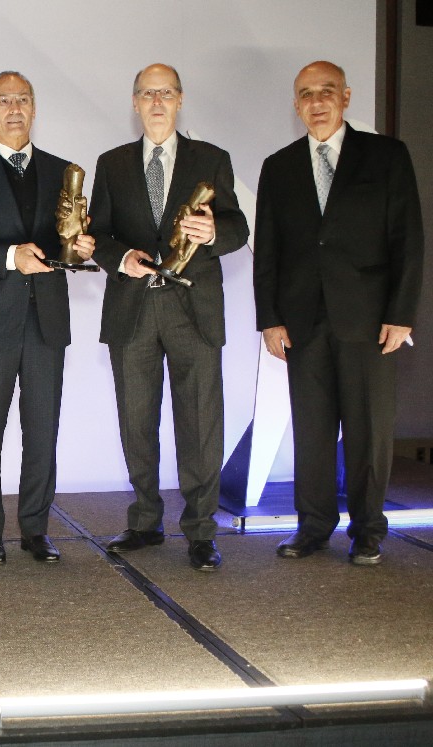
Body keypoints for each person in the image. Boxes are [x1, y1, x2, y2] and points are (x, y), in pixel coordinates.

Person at [254, 61, 423, 565]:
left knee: (369, 431)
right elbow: (269, 251)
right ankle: (313, 527)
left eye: (327, 91)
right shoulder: (279, 166)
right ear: (296, 104)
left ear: (346, 97)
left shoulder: (387, 156)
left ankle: (368, 530)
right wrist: (269, 318)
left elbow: (408, 240)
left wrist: (401, 313)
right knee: (312, 430)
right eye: (306, 94)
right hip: (302, 320)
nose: (317, 102)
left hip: (369, 319)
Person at [88, 64, 249, 571]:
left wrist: (213, 231)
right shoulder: (111, 163)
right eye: (147, 93)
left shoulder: (211, 159)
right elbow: (98, 234)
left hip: (193, 308)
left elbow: (238, 226)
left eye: (165, 93)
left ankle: (201, 531)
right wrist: (120, 257)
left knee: (200, 422)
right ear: (134, 102)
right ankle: (145, 521)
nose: (156, 102)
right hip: (133, 307)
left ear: (180, 100)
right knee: (136, 420)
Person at [0, 71, 92, 565]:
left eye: (22, 99)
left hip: (47, 318)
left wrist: (80, 247)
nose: (14, 108)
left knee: (42, 430)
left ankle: (35, 529)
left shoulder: (63, 171)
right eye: (3, 100)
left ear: (34, 108)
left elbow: (69, 240)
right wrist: (11, 256)